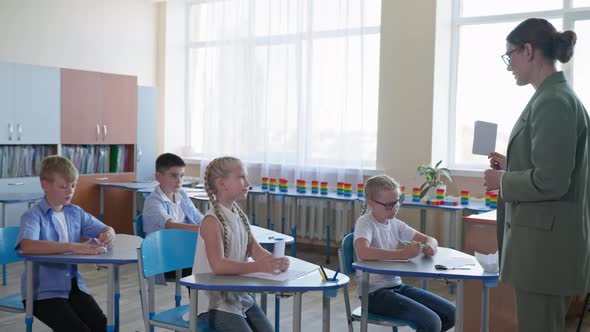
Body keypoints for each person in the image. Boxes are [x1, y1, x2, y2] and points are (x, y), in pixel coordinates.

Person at [484, 18, 590, 332]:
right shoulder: (554, 98)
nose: (509, 66)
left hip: (544, 252)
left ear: (528, 51)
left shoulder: (553, 102)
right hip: (546, 246)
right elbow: (553, 167)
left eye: (510, 56)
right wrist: (512, 165)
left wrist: (502, 181)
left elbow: (551, 181)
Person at [15, 155, 116, 332]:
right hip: (42, 294)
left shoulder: (75, 212)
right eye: (63, 186)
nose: (69, 191)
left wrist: (109, 233)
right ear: (45, 185)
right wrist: (73, 246)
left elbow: (105, 228)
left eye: (73, 185)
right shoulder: (33, 216)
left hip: (73, 287)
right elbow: (27, 245)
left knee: (103, 326)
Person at [193, 156, 289, 332]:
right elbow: (219, 266)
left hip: (237, 297)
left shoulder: (239, 216)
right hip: (212, 304)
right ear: (222, 184)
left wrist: (275, 262)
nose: (248, 182)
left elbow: (256, 251)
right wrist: (260, 266)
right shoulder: (211, 221)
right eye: (241, 177)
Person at [354, 174, 455, 332]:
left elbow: (430, 239)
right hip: (373, 294)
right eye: (389, 205)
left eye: (397, 203)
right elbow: (363, 251)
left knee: (451, 313)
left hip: (396, 286)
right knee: (432, 322)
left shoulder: (395, 223)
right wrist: (402, 254)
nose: (394, 209)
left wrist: (430, 246)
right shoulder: (365, 222)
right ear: (371, 204)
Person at [142, 153, 204, 281]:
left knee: (213, 260)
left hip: (184, 251)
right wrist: (202, 229)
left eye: (181, 176)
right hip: (164, 259)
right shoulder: (153, 202)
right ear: (158, 176)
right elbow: (170, 225)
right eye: (174, 176)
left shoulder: (181, 195)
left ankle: (208, 298)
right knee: (205, 266)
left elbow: (197, 215)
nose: (179, 180)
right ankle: (202, 299)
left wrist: (212, 223)